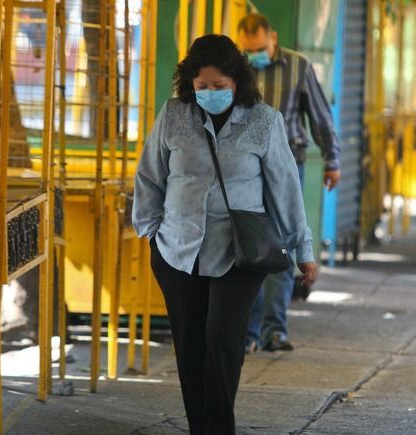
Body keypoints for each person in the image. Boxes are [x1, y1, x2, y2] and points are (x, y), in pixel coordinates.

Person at [132, 34, 316, 434]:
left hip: (240, 250)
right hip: (177, 249)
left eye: (220, 86)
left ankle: (218, 427)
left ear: (238, 81)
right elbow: (150, 175)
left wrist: (304, 249)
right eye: (202, 87)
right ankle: (203, 426)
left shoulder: (265, 121)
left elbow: (285, 188)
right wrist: (149, 231)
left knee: (222, 339)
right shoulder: (174, 114)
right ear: (190, 83)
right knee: (190, 342)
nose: (211, 93)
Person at [237, 13, 341, 354]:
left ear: (274, 38)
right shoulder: (237, 69)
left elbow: (321, 116)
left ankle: (275, 331)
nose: (255, 55)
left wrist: (332, 161)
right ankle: (248, 333)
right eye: (248, 50)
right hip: (246, 170)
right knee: (250, 249)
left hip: (288, 167)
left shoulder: (299, 66)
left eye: (260, 48)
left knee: (280, 250)